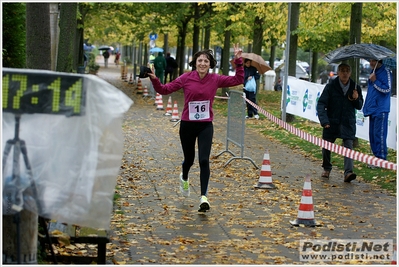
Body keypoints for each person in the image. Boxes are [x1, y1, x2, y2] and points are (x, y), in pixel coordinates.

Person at [147, 44, 244, 212]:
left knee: (204, 160)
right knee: (190, 160)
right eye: (200, 60)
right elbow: (164, 90)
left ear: (210, 63)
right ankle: (184, 176)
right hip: (187, 125)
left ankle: (203, 197)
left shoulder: (215, 79)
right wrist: (155, 79)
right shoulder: (186, 78)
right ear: (195, 63)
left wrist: (239, 62)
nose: (203, 63)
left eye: (206, 61)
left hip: (205, 125)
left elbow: (238, 80)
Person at [316, 63, 364, 183]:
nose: (345, 73)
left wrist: (356, 98)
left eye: (347, 71)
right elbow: (321, 104)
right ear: (338, 72)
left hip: (347, 123)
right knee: (326, 146)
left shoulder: (355, 87)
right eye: (342, 70)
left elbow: (359, 106)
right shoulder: (331, 86)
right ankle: (327, 168)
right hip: (331, 122)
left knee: (348, 146)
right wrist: (324, 121)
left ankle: (348, 172)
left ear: (350, 73)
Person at [363, 59, 392, 166]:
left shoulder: (386, 72)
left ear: (379, 61)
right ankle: (375, 158)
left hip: (381, 109)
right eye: (370, 61)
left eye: (373, 61)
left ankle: (381, 159)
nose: (371, 63)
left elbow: (387, 89)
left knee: (379, 134)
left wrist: (375, 80)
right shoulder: (373, 72)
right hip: (372, 108)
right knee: (372, 134)